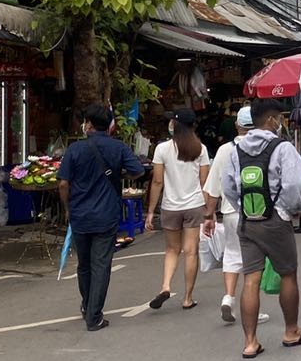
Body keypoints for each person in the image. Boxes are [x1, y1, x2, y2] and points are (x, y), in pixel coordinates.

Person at [206, 98, 301, 357]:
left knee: (251, 279)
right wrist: (290, 208)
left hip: (248, 221)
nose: (281, 123)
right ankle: (291, 331)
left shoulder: (235, 150)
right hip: (276, 221)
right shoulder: (283, 148)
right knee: (288, 274)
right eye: (279, 118)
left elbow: (228, 187)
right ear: (271, 120)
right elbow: (294, 184)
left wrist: (244, 207)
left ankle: (250, 342)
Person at [54, 105, 146, 330]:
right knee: (101, 264)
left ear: (89, 124)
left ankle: (88, 306)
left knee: (84, 264)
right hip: (106, 214)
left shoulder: (75, 149)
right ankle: (94, 315)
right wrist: (118, 173)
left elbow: (63, 182)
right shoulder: (119, 148)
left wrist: (67, 207)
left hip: (80, 214)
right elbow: (138, 171)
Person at [206, 106, 270, 327]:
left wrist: (209, 215)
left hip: (230, 211)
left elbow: (213, 188)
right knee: (253, 261)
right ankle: (252, 309)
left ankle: (228, 297)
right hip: (258, 211)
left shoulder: (224, 150)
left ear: (237, 126)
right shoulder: (265, 145)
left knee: (232, 255)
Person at [144, 108, 210, 311]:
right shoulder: (200, 148)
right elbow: (204, 182)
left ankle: (165, 286)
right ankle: (188, 298)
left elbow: (157, 181)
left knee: (172, 250)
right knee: (191, 252)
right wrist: (210, 211)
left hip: (170, 206)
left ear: (175, 125)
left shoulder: (162, 149)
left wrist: (150, 211)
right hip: (194, 205)